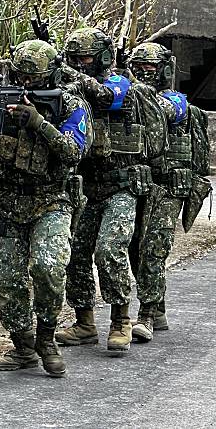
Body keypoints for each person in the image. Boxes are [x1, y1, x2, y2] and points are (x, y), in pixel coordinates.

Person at [0, 39, 91, 376]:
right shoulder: (6, 100)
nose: (26, 84)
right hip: (7, 201)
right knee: (7, 279)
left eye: (34, 78)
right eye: (21, 77)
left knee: (48, 268)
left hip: (52, 200)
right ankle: (22, 345)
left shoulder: (71, 104)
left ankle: (46, 338)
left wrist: (39, 123)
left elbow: (74, 151)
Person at [55, 28, 168, 353]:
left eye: (85, 58)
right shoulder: (73, 90)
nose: (80, 64)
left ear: (103, 57)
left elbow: (107, 98)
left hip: (121, 186)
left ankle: (120, 320)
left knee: (109, 250)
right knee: (76, 254)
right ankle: (85, 322)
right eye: (74, 58)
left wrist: (70, 74)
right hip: (89, 187)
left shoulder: (119, 82)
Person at [127, 42, 212, 342]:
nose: (145, 73)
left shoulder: (174, 100)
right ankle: (157, 305)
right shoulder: (133, 96)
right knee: (134, 246)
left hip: (169, 187)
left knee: (153, 247)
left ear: (164, 69)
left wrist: (129, 87)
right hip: (140, 184)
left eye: (151, 67)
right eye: (140, 67)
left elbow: (160, 110)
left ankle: (147, 314)